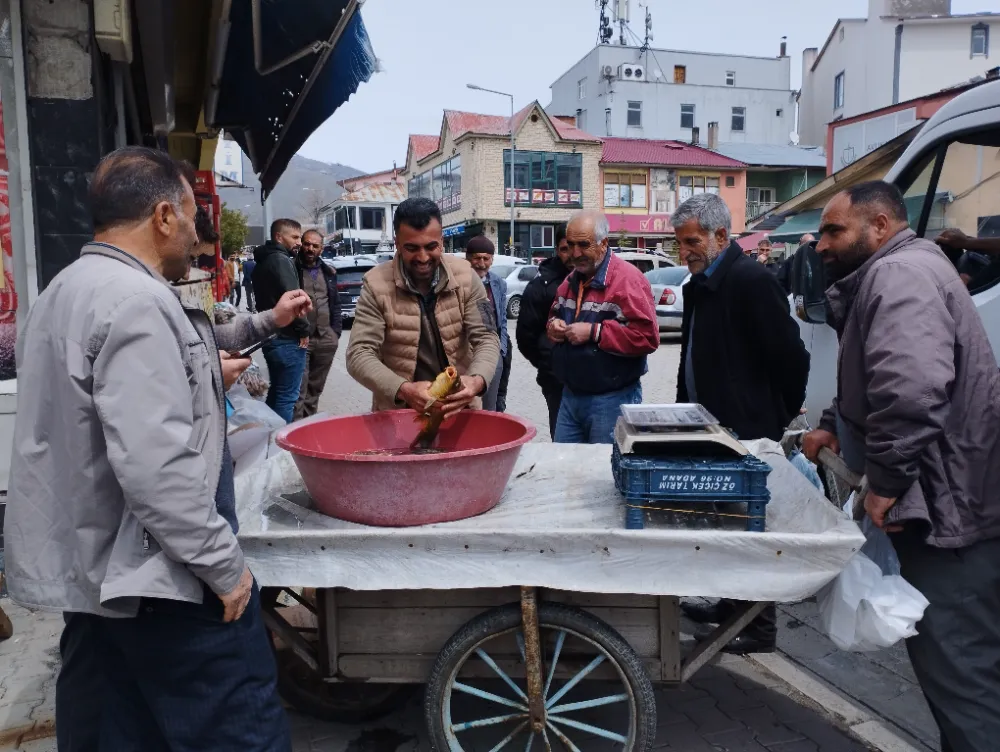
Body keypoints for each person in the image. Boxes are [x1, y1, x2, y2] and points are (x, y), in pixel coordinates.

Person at [5, 146, 312, 752]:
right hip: (162, 582)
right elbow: (157, 468)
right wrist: (225, 569)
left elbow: (181, 357)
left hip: (97, 580)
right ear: (164, 216)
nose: (198, 234)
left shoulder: (65, 290)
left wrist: (262, 324)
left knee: (114, 733)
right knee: (240, 732)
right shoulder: (136, 303)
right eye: (193, 216)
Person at [802, 181, 1000, 752]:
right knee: (968, 666)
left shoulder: (898, 275)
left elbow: (911, 393)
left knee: (962, 673)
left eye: (834, 230)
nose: (820, 244)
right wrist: (834, 423)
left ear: (880, 225)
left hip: (947, 511)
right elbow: (876, 375)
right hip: (952, 501)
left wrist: (885, 483)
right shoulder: (901, 270)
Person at [673, 193, 810, 654]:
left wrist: (775, 416)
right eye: (679, 243)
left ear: (720, 235)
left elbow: (793, 358)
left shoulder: (752, 280)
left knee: (747, 526)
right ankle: (730, 606)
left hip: (746, 432)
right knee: (724, 524)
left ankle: (759, 628)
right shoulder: (699, 284)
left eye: (691, 242)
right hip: (708, 429)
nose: (683, 252)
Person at [346, 197, 500, 419]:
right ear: (397, 243)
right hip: (400, 413)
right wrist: (403, 389)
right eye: (412, 248)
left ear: (442, 241)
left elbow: (487, 337)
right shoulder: (375, 285)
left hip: (459, 410)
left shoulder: (467, 277)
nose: (423, 257)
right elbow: (359, 354)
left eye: (431, 246)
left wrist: (477, 380)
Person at [547, 210, 658, 444]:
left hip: (612, 400)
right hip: (570, 396)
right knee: (563, 464)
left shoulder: (628, 280)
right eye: (571, 245)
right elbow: (555, 313)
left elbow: (647, 337)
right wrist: (553, 325)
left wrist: (594, 332)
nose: (575, 253)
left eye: (583, 245)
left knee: (604, 466)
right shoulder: (570, 281)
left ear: (604, 243)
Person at [252, 218, 310, 423]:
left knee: (277, 393)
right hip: (287, 337)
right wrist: (304, 330)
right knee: (287, 397)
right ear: (279, 237)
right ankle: (280, 440)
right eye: (294, 237)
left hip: (272, 336)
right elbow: (294, 299)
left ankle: (269, 435)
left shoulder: (264, 260)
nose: (299, 243)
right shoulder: (280, 260)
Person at [516, 224, 571, 438]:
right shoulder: (540, 287)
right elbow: (526, 337)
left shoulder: (594, 280)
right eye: (565, 248)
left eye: (577, 246)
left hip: (594, 380)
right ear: (557, 250)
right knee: (563, 440)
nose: (572, 254)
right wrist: (548, 360)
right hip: (555, 380)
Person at [294, 229, 343, 419]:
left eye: (315, 246)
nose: (310, 249)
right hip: (300, 339)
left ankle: (308, 426)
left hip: (326, 338)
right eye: (307, 244)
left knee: (315, 390)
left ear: (321, 249)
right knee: (299, 390)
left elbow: (335, 303)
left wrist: (335, 333)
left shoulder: (328, 272)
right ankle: (295, 429)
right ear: (301, 245)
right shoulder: (292, 268)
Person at [465, 235, 509, 411]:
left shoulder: (499, 284)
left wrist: (501, 351)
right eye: (477, 258)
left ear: (492, 260)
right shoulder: (460, 283)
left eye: (486, 258)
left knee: (489, 408)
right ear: (468, 258)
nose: (481, 263)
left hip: (492, 352)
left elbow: (502, 320)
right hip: (465, 355)